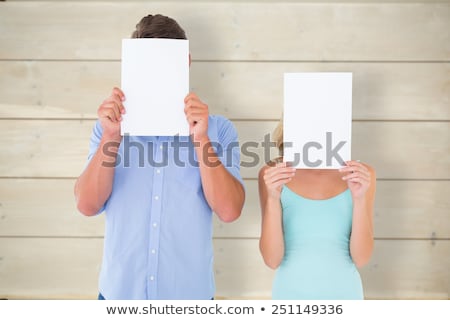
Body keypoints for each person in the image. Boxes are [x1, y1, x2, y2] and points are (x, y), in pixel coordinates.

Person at [74, 14, 245, 300]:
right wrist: (110, 138)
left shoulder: (219, 130)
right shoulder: (108, 129)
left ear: (186, 63)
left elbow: (229, 211)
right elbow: (87, 205)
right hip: (118, 298)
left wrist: (201, 139)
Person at [259, 120, 376, 299]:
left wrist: (359, 199)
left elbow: (362, 258)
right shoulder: (273, 174)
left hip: (345, 296)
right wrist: (273, 198)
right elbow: (271, 260)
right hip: (289, 298)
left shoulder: (359, 175)